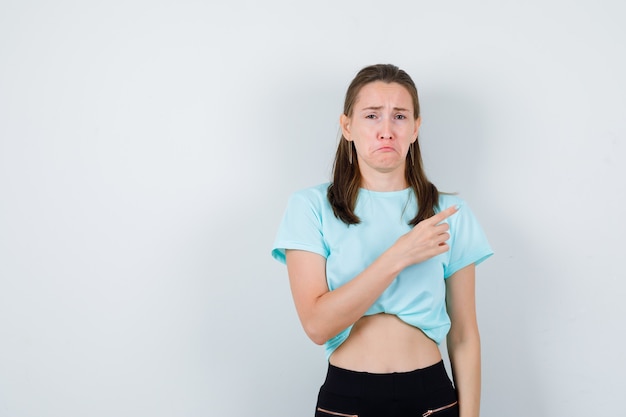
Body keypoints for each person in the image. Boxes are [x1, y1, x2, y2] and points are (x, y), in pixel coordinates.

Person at [271, 64, 493, 417]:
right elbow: (317, 324)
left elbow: (465, 335)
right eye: (372, 115)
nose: (386, 130)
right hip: (347, 399)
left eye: (400, 117)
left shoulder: (449, 213)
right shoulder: (310, 207)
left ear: (416, 127)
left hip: (432, 399)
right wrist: (400, 254)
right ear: (348, 126)